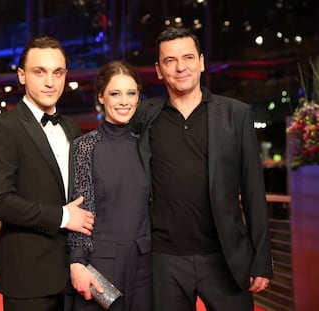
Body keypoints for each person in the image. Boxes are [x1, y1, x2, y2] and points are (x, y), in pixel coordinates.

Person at [131, 27, 273, 311]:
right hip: (163, 260)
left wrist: (261, 258)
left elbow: (254, 191)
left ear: (202, 62)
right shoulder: (143, 115)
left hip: (224, 257)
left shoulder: (235, 114)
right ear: (159, 70)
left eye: (188, 57)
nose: (180, 67)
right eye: (170, 61)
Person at [0, 36, 95, 311]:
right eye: (39, 71)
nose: (50, 82)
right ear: (21, 75)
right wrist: (63, 216)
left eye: (57, 72)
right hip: (28, 277)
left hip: (73, 272)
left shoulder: (71, 127)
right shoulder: (4, 128)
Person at [67, 61, 151, 311]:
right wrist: (77, 262)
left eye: (131, 93)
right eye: (115, 93)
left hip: (146, 266)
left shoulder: (148, 145)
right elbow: (80, 208)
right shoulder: (85, 146)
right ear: (101, 97)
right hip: (101, 264)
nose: (124, 101)